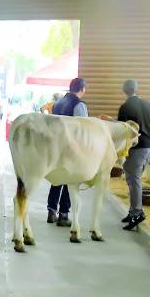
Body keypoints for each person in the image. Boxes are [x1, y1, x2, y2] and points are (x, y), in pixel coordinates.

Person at [116, 79, 150, 231]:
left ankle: (137, 212)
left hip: (136, 148)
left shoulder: (125, 107)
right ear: (137, 89)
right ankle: (132, 211)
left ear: (124, 90)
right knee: (132, 179)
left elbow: (122, 129)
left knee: (134, 181)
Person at [46, 78, 89, 226]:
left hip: (57, 146)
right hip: (72, 148)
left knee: (57, 178)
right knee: (70, 180)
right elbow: (83, 129)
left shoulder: (58, 103)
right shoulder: (79, 105)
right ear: (82, 89)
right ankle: (63, 215)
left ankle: (51, 211)